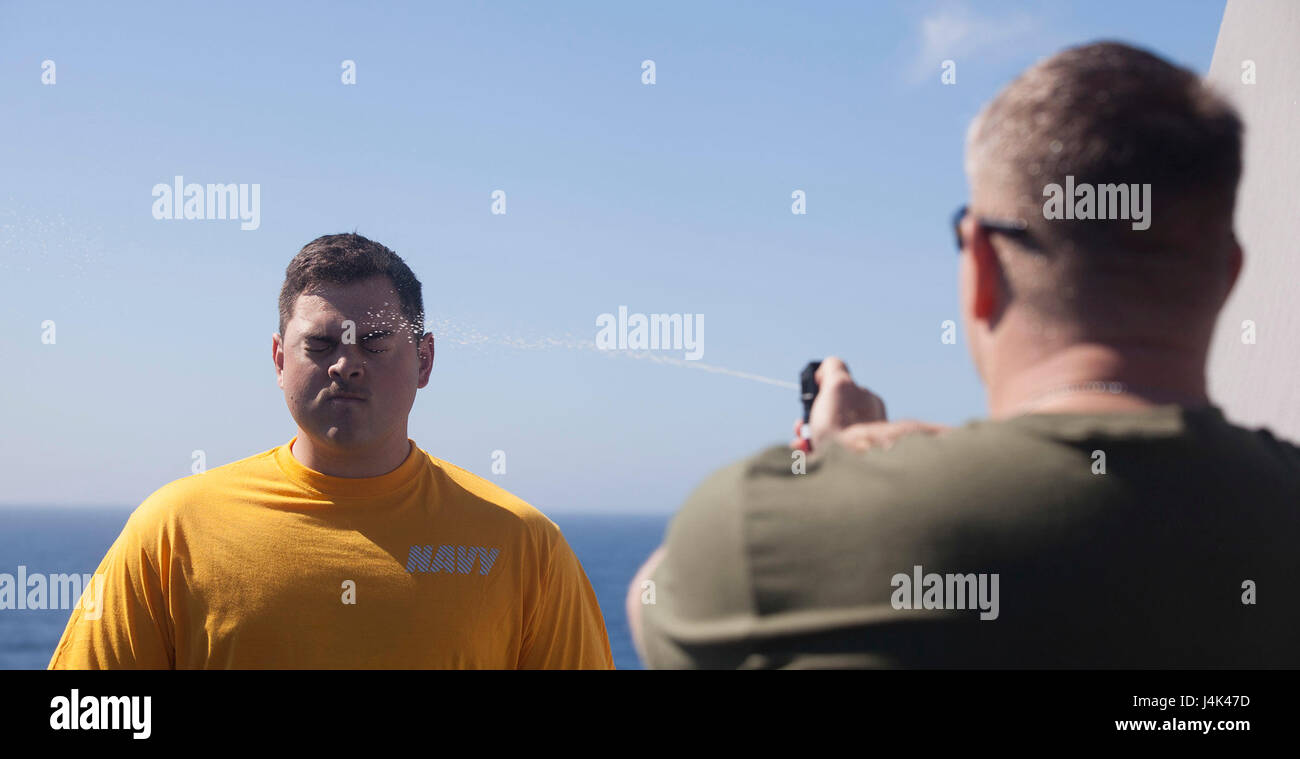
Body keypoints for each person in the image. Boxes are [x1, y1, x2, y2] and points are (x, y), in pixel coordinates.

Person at [628, 41, 1300, 668]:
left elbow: (654, 599)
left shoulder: (766, 531)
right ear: (1228, 275)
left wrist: (830, 469)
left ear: (981, 262)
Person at [50, 233, 614, 669]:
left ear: (424, 361)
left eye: (374, 343)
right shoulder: (172, 529)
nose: (346, 363)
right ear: (278, 358)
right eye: (320, 344)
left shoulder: (521, 544)